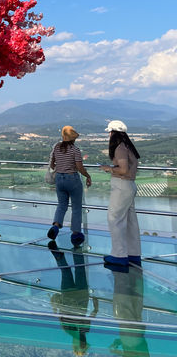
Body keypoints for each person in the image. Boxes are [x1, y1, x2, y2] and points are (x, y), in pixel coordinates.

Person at [100, 120, 142, 267]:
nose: (109, 135)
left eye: (110, 132)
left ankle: (119, 255)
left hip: (121, 186)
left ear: (113, 133)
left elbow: (123, 170)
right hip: (130, 186)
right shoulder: (129, 147)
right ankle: (133, 253)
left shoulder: (120, 148)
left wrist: (108, 168)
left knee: (114, 219)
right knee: (131, 222)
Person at [48, 242, 99, 356]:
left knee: (79, 270)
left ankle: (77, 248)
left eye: (81, 345)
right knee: (66, 272)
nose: (83, 343)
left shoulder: (83, 330)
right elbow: (59, 313)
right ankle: (60, 256)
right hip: (68, 296)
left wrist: (96, 306)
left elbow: (92, 315)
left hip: (81, 295)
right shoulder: (67, 329)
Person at [47, 125, 92, 246]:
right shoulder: (75, 150)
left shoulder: (56, 147)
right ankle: (76, 235)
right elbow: (79, 167)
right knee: (76, 208)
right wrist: (88, 176)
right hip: (72, 179)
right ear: (73, 139)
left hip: (59, 179)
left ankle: (56, 226)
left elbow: (52, 164)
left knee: (62, 205)